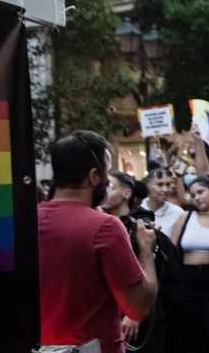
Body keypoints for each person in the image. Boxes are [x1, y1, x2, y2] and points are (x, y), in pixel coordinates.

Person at [38, 130, 158, 353]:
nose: (107, 179)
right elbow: (138, 307)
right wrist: (147, 251)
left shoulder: (23, 222)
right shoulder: (106, 227)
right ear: (94, 177)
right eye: (107, 172)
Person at [168, 176, 209, 353]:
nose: (197, 197)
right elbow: (172, 250)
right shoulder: (185, 217)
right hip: (188, 282)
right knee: (190, 335)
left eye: (201, 192)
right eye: (193, 194)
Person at [141, 166, 186, 240]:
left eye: (168, 185)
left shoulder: (178, 213)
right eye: (160, 185)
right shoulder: (137, 209)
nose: (165, 189)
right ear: (147, 185)